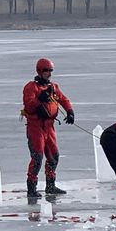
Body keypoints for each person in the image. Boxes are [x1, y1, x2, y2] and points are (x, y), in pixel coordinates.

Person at [21, 58, 75, 199]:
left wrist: (70, 112)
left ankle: (50, 186)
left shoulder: (53, 87)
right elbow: (29, 105)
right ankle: (31, 187)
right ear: (39, 71)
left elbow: (63, 99)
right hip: (36, 127)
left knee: (53, 156)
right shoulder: (31, 87)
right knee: (37, 157)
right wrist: (41, 99)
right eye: (46, 70)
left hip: (49, 127)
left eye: (50, 71)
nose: (49, 73)